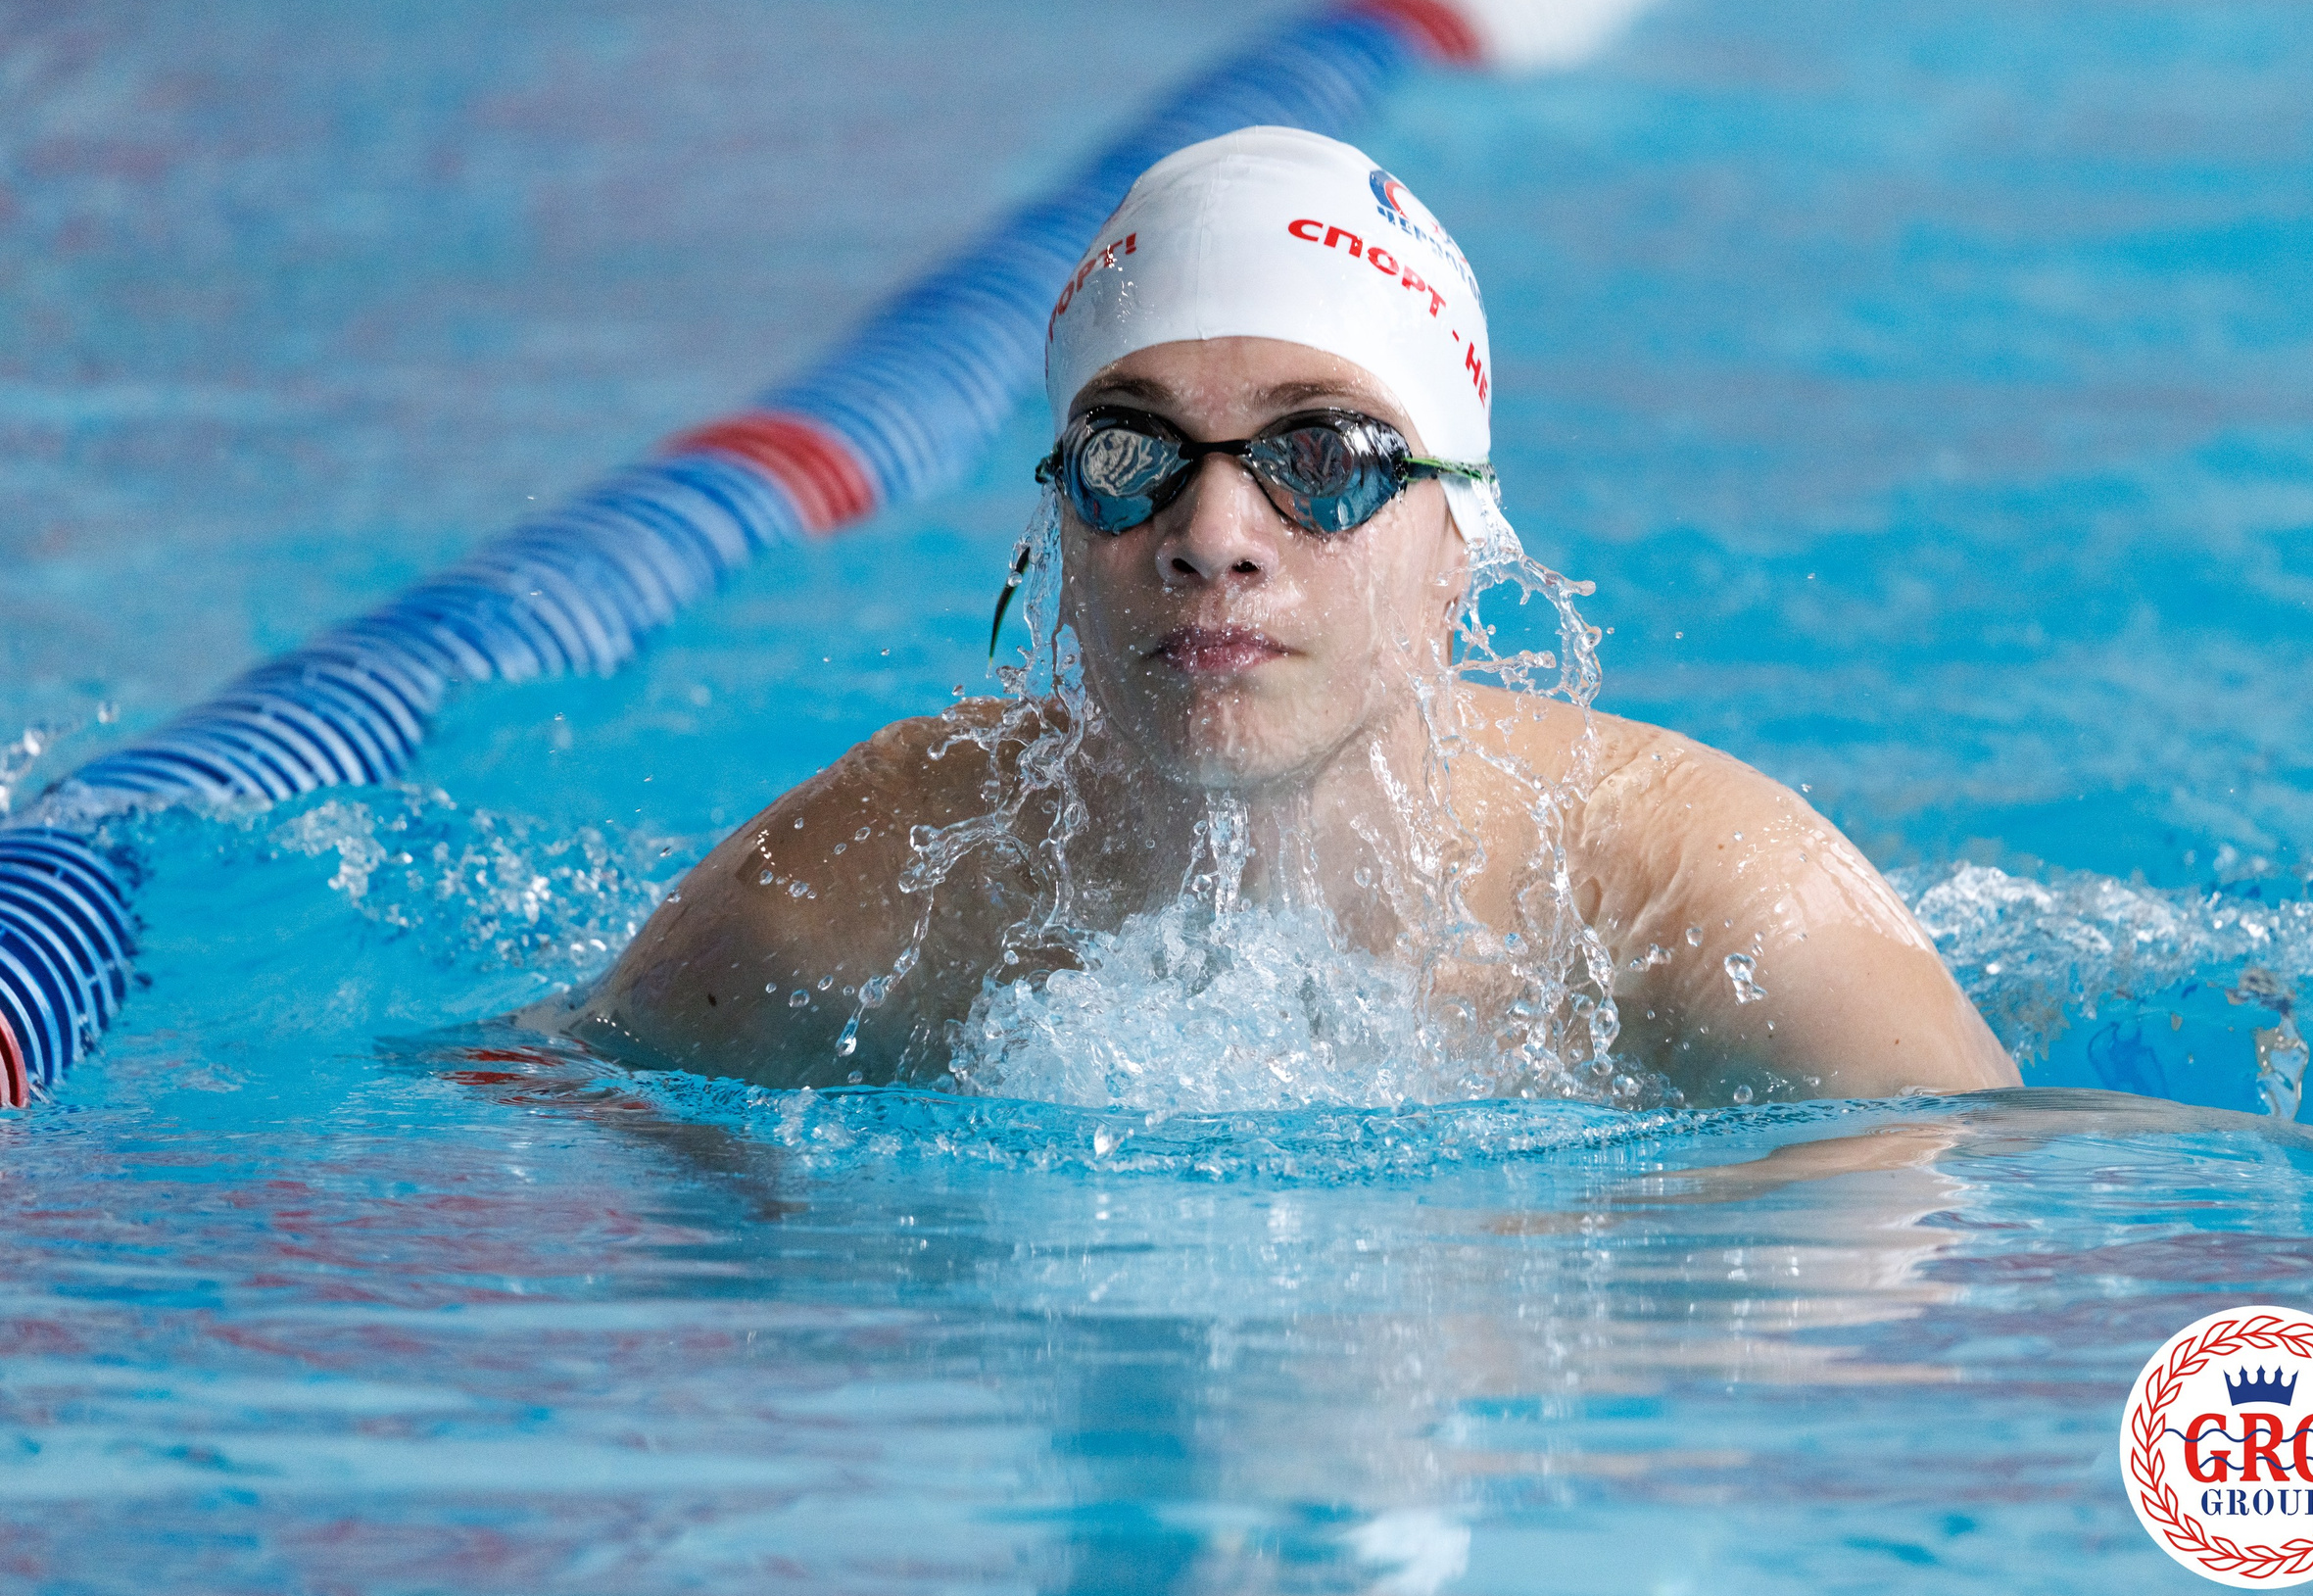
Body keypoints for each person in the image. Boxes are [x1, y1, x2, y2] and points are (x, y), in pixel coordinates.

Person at [546, 127, 2018, 1104]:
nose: (1214, 539)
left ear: (1461, 543)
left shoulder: (1718, 915)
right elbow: (540, 1130)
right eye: (1133, 457)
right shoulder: (863, 891)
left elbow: (1985, 1250)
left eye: (1322, 460)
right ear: (1062, 521)